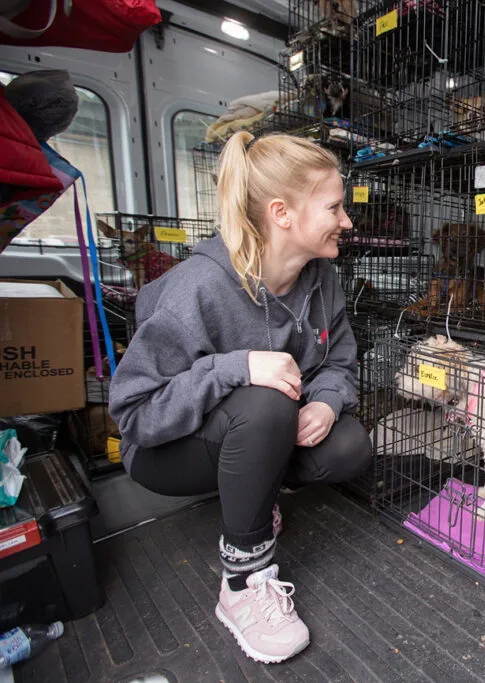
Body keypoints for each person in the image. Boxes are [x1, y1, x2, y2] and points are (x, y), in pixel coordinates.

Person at [109, 131, 371, 664]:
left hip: (251, 435)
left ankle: (254, 496)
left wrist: (324, 400)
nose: (347, 221)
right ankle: (242, 583)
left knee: (349, 447)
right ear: (282, 213)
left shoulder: (322, 278)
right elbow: (134, 414)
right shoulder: (200, 287)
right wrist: (235, 367)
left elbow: (340, 361)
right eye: (335, 207)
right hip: (165, 451)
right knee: (266, 401)